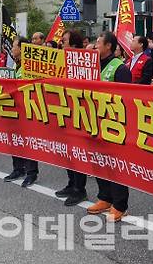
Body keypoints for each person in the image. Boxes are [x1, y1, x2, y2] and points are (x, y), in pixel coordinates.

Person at [87, 31, 132, 223]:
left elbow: (127, 98)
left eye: (98, 43)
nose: (95, 46)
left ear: (109, 47)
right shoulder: (89, 66)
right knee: (99, 162)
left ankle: (120, 205)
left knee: (115, 165)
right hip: (92, 121)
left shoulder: (119, 68)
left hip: (113, 125)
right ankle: (104, 197)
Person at [55, 30, 89, 206]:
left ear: (74, 44)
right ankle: (71, 183)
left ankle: (80, 189)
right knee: (67, 151)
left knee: (77, 152)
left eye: (65, 40)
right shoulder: (59, 58)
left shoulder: (83, 61)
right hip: (63, 110)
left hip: (79, 113)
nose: (61, 43)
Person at [4, 36, 39, 188]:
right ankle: (18, 168)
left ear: (22, 48)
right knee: (15, 139)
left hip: (28, 109)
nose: (12, 48)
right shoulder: (14, 65)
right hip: (13, 109)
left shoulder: (30, 66)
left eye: (14, 46)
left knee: (28, 141)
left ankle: (32, 172)